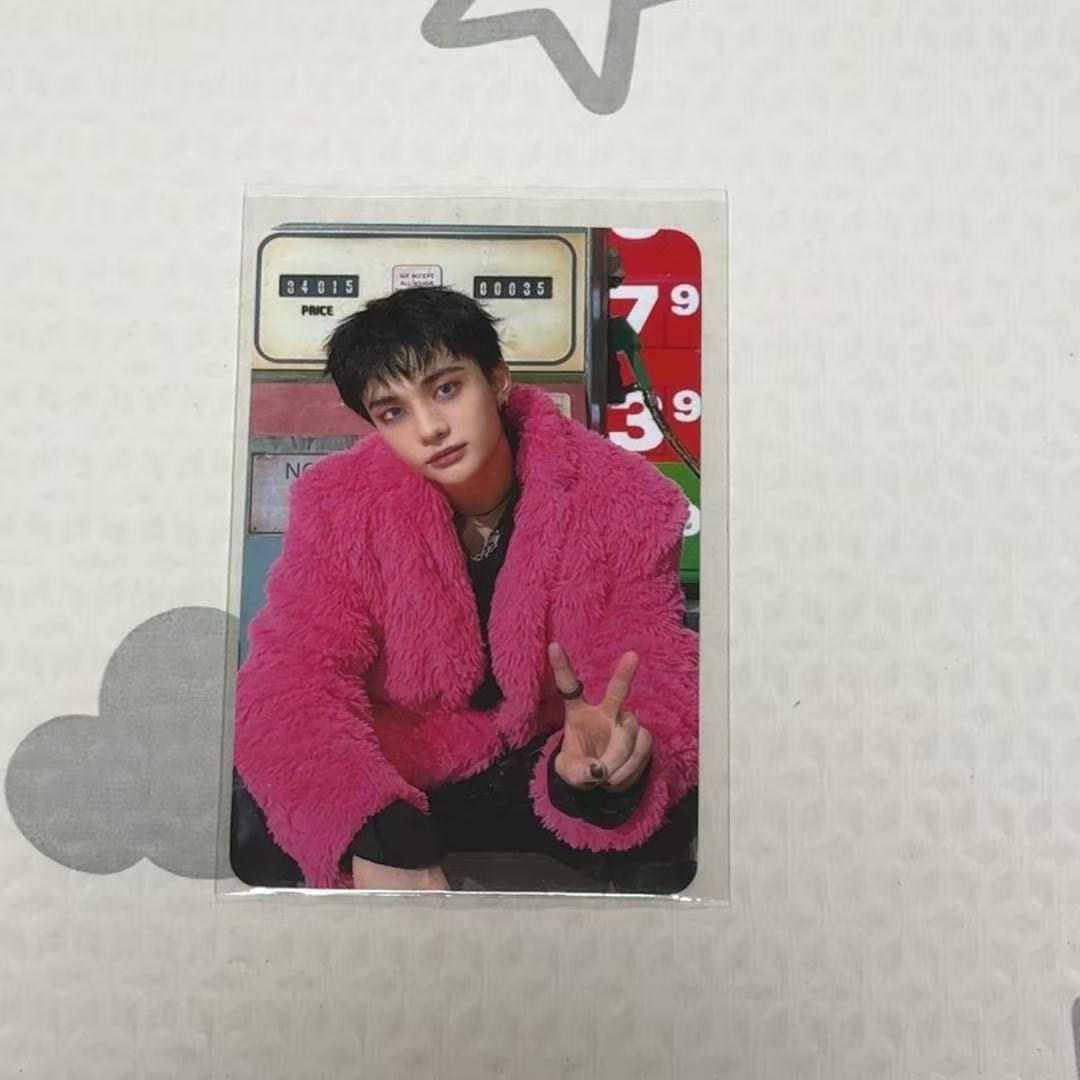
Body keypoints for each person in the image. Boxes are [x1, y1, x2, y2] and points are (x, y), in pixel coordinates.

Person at [232, 286, 698, 891]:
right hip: (406, 759)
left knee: (667, 812)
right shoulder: (339, 504)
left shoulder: (625, 498)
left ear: (497, 379)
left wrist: (610, 763)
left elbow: (652, 663)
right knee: (261, 808)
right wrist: (370, 826)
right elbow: (291, 676)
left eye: (447, 388)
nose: (429, 429)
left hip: (550, 752)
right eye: (393, 412)